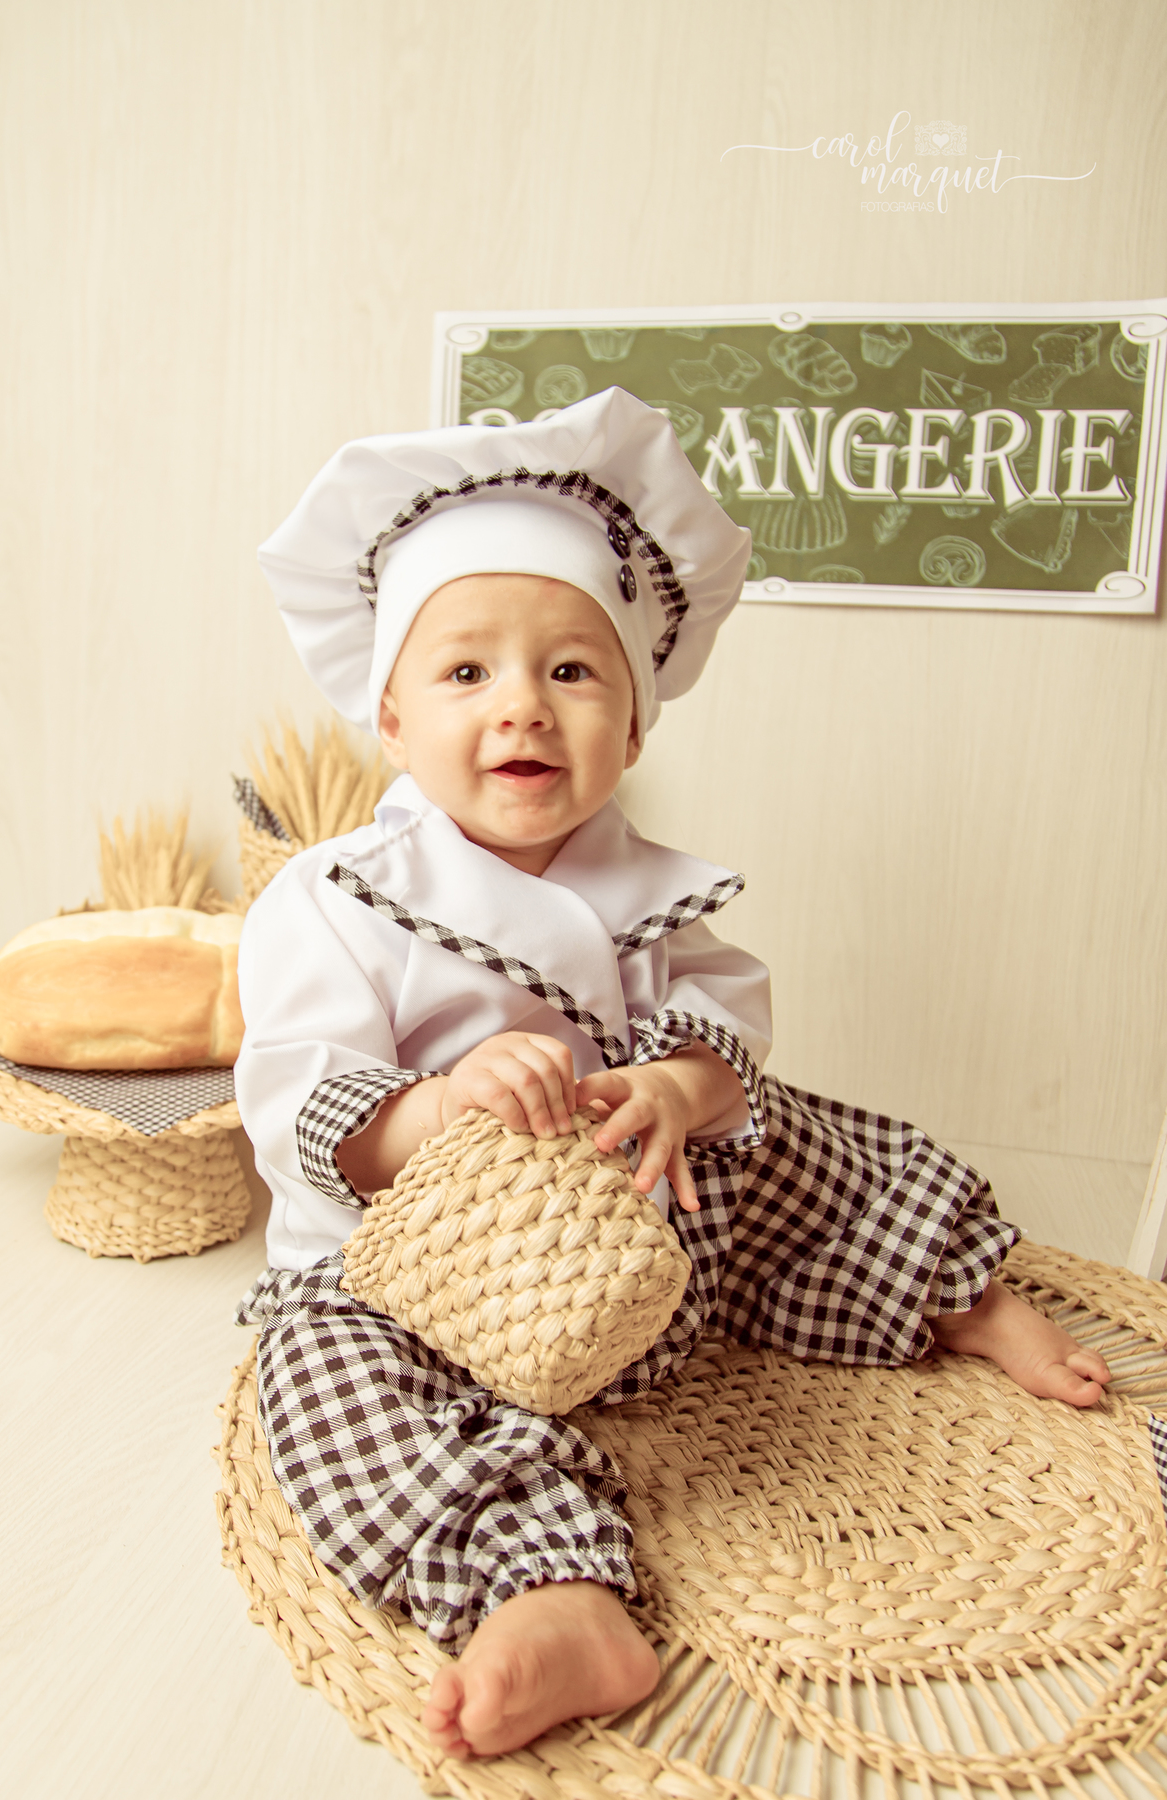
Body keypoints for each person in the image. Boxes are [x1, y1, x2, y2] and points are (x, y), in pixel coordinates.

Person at [234, 387, 1111, 1761]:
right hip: (436, 1288)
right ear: (390, 721)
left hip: (653, 1242)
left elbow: (724, 1027)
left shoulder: (650, 886)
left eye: (573, 673)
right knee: (322, 1375)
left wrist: (680, 1095)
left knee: (812, 1137)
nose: (522, 705)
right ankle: (552, 1588)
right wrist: (441, 1109)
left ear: (634, 730)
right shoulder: (336, 897)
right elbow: (291, 1095)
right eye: (467, 674)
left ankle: (955, 1293)